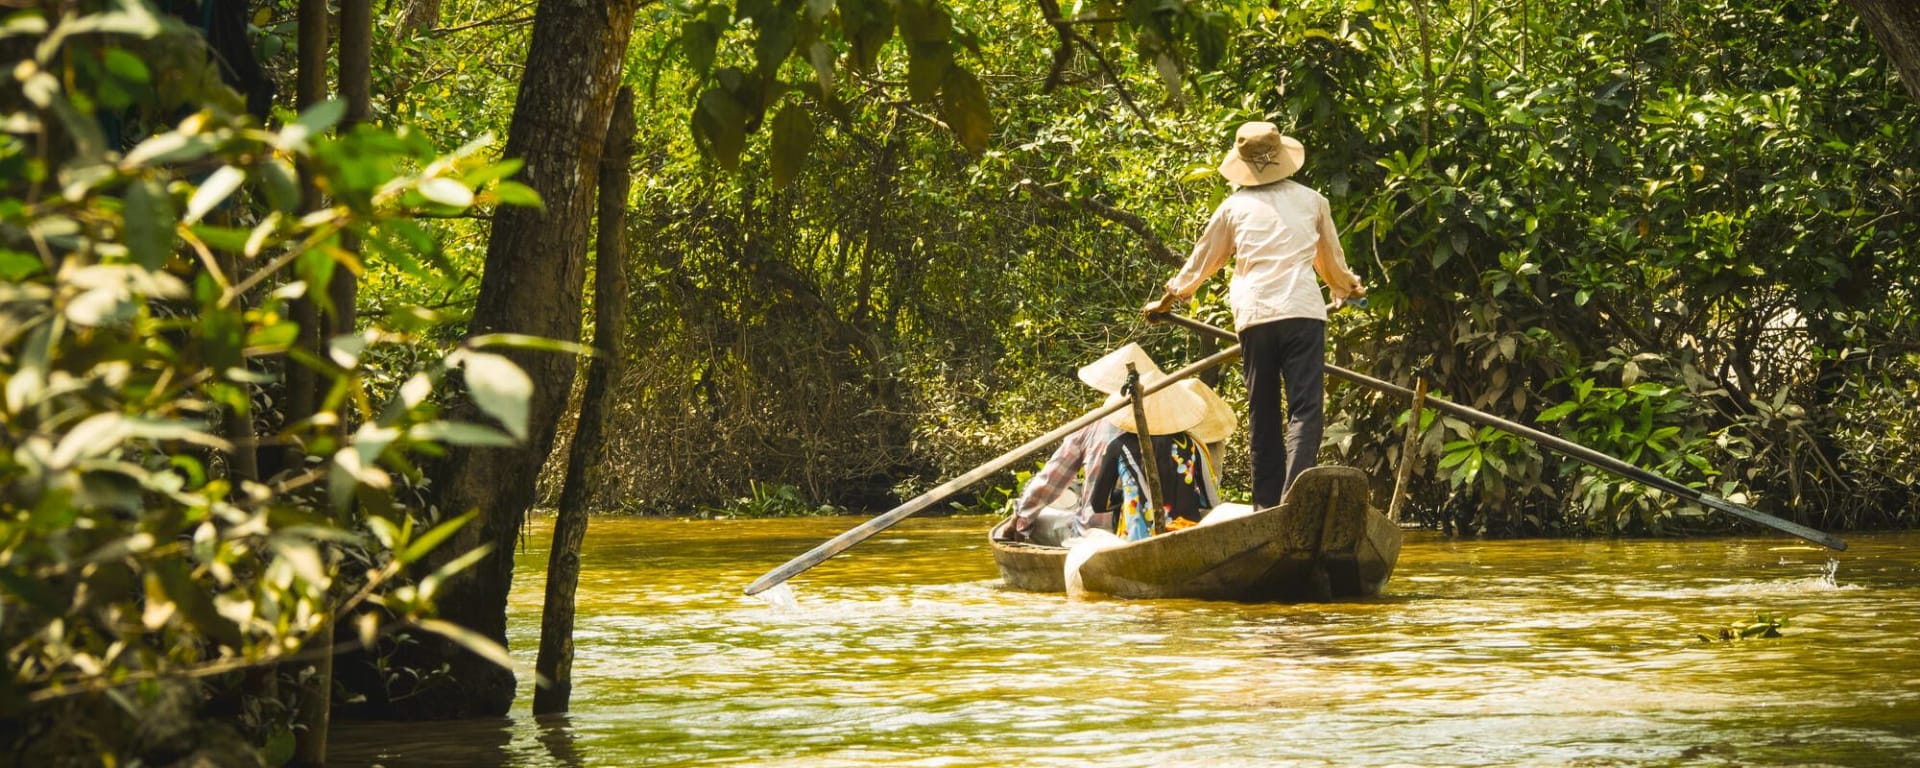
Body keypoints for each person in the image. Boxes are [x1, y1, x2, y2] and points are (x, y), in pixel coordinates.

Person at [1143, 122, 1365, 509]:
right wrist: (1348, 288)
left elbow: (1204, 259)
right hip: (1302, 313)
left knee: (1262, 409)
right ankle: (1295, 498)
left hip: (1257, 315)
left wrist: (1170, 297)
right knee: (1305, 409)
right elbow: (1330, 263)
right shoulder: (1313, 201)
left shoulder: (1234, 207)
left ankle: (1266, 504)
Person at [1004, 344, 1233, 543]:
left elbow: (1087, 499)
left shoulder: (1107, 436)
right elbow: (1211, 501)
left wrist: (1020, 519)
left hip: (1110, 532)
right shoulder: (1190, 441)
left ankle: (1022, 526)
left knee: (1039, 519)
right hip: (1179, 530)